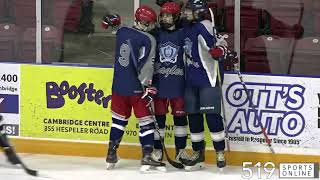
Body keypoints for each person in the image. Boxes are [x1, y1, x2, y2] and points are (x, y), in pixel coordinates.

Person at [105, 5, 166, 172]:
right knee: (146, 122)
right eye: (152, 23)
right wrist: (148, 87)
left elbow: (110, 25)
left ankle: (111, 154)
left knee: (118, 122)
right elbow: (147, 66)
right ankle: (147, 157)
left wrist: (110, 20)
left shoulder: (122, 32)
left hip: (118, 87)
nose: (154, 26)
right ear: (145, 23)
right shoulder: (149, 39)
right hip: (137, 89)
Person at [181, 0, 235, 171]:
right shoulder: (186, 25)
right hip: (190, 81)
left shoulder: (204, 25)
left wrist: (222, 52)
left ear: (198, 13)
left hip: (207, 80)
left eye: (189, 11)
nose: (186, 13)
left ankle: (219, 151)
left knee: (212, 117)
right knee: (194, 118)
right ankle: (198, 152)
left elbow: (220, 46)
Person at [151, 1, 189, 164]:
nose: (164, 18)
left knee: (180, 120)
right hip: (159, 84)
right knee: (159, 119)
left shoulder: (183, 34)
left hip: (179, 85)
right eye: (163, 15)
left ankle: (181, 150)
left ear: (176, 17)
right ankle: (157, 149)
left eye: (168, 15)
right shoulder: (155, 33)